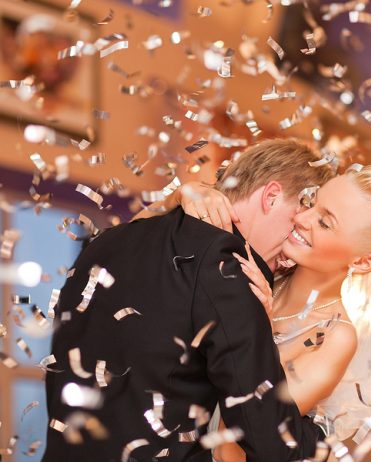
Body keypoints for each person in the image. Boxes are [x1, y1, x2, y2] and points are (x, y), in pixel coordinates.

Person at [43, 139, 334, 462]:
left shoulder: (110, 240)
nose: (293, 250)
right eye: (298, 224)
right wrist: (325, 437)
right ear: (271, 196)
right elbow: (270, 439)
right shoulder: (227, 268)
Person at [173, 158, 371, 462]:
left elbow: (232, 445)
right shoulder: (268, 266)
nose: (302, 218)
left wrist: (256, 325)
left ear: (363, 262)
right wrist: (188, 192)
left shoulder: (334, 338)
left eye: (325, 222)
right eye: (311, 202)